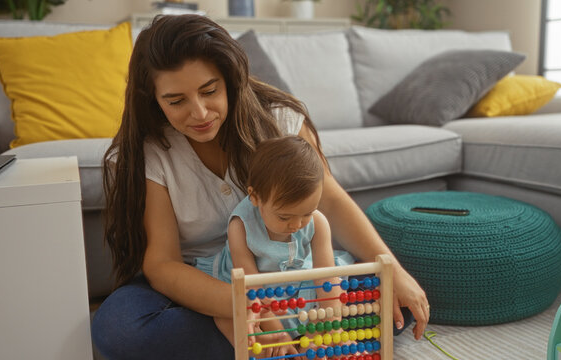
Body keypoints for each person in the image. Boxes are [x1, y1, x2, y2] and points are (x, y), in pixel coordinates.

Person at [91, 14, 429, 360]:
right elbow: (162, 265)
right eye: (176, 101)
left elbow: (328, 199)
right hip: (203, 284)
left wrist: (393, 270)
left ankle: (278, 343)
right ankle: (289, 341)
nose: (199, 112)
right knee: (120, 329)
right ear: (154, 99)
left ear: (230, 79)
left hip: (292, 278)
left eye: (210, 90)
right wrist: (253, 308)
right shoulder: (154, 152)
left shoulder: (279, 120)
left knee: (387, 303)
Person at [197, 135, 353, 357]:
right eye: (284, 217)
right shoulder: (240, 227)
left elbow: (327, 278)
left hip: (298, 282)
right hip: (255, 290)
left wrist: (328, 327)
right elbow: (251, 289)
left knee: (340, 300)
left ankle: (305, 340)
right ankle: (275, 349)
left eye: (307, 213)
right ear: (255, 197)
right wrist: (284, 337)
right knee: (227, 317)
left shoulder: (318, 223)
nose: (297, 225)